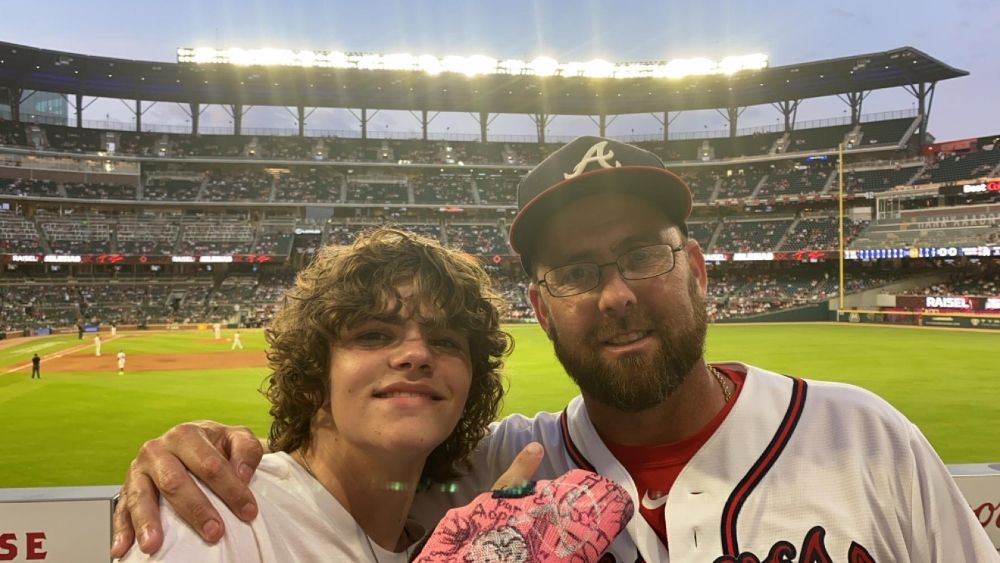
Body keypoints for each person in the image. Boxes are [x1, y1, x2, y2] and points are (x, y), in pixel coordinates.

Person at [112, 137, 998, 562]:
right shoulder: (494, 468)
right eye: (577, 271)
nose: (616, 293)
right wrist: (183, 452)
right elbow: (333, 477)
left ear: (696, 268)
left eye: (644, 254)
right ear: (539, 304)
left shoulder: (866, 438)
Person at [116, 228, 518, 562]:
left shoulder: (455, 529)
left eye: (446, 341)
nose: (417, 354)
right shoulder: (214, 523)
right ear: (313, 377)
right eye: (373, 335)